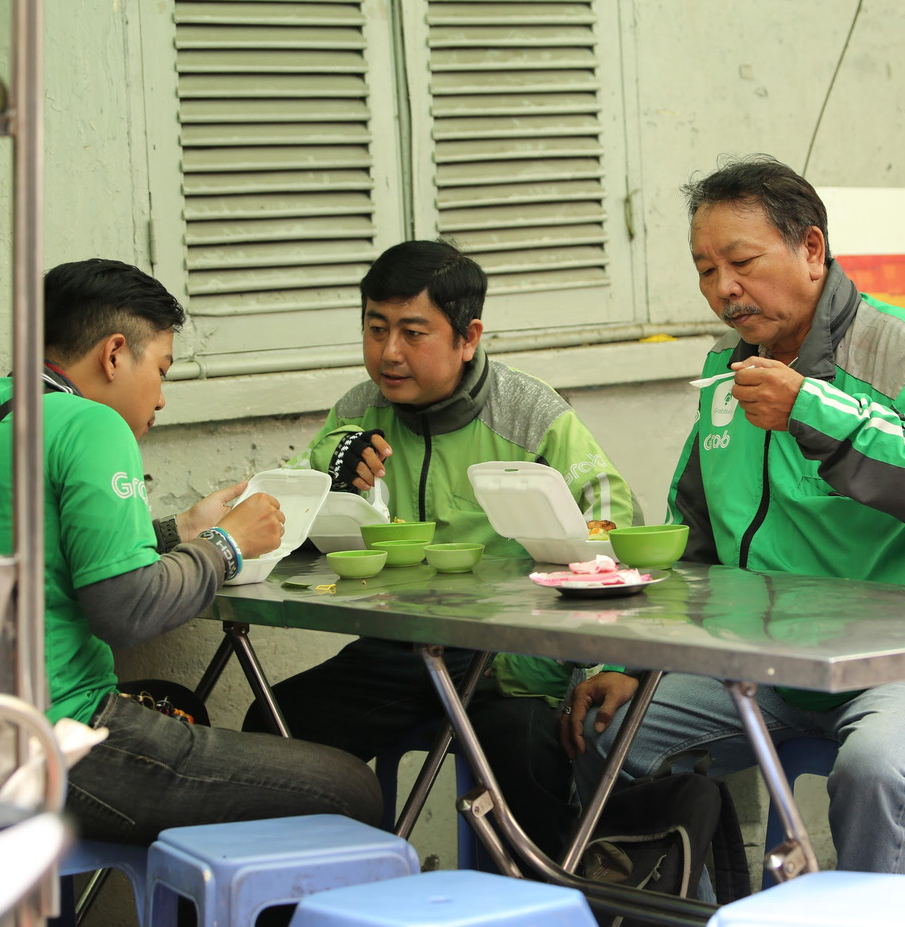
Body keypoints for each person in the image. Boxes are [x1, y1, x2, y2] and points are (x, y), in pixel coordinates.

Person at [561, 155, 905, 876]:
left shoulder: (898, 348)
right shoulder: (726, 378)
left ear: (811, 250)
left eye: (741, 261)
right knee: (609, 733)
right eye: (705, 269)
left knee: (877, 770)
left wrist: (812, 409)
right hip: (777, 664)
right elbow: (693, 543)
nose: (724, 289)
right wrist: (629, 659)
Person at [0, 258, 381, 843]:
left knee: (180, 705)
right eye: (162, 369)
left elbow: (52, 549)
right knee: (348, 788)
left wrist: (181, 530)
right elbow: (126, 609)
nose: (161, 398)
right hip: (52, 739)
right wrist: (227, 544)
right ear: (114, 353)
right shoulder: (90, 425)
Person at [242, 240, 638, 858]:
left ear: (468, 336)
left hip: (516, 668)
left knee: (532, 756)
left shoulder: (531, 416)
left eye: (412, 332)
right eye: (375, 329)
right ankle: (325, 897)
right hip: (406, 653)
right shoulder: (360, 411)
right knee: (277, 725)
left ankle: (548, 905)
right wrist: (326, 469)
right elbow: (274, 519)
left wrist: (594, 661)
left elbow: (611, 528)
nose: (389, 353)